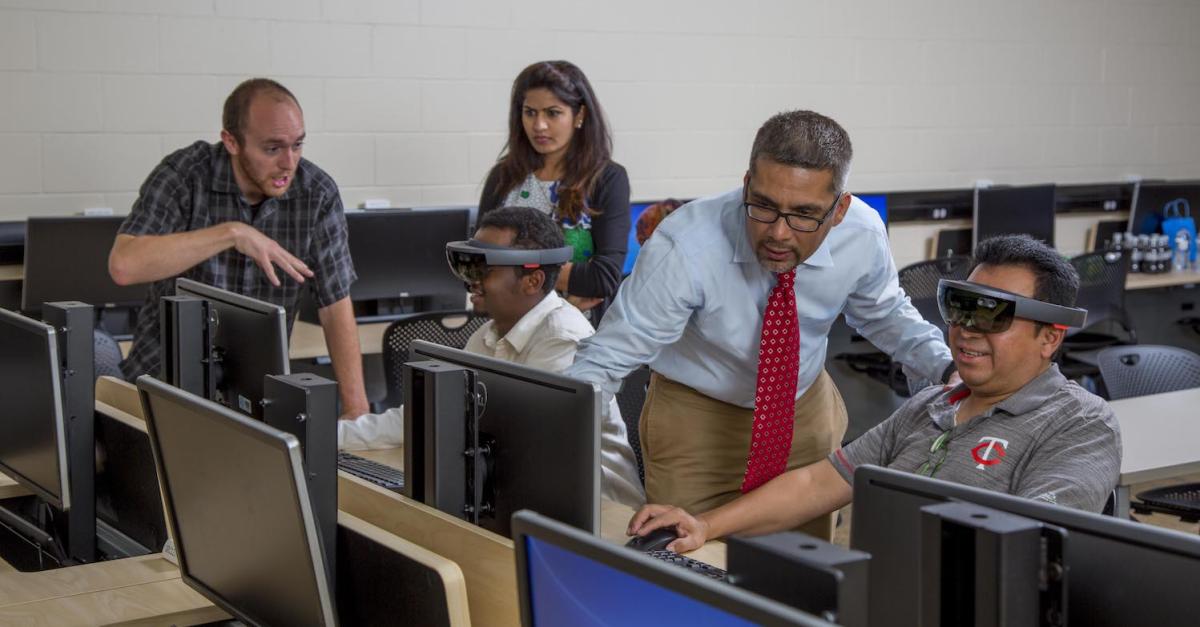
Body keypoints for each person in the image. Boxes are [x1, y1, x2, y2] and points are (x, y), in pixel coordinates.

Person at [566, 110, 956, 540]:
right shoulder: (686, 245)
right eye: (764, 207)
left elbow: (885, 314)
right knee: (688, 558)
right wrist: (561, 447)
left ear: (840, 209)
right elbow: (607, 359)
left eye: (805, 214)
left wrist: (944, 369)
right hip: (697, 420)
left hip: (803, 408)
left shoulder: (861, 234)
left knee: (804, 562)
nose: (780, 234)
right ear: (747, 184)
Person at [627, 234, 1123, 553]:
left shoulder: (1080, 424)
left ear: (1050, 336)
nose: (967, 330)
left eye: (994, 314)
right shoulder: (931, 406)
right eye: (961, 307)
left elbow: (1029, 548)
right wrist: (704, 525)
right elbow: (819, 483)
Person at [339, 206, 644, 507]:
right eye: (466, 268)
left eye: (482, 270)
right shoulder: (487, 335)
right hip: (515, 493)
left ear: (532, 281)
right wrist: (327, 435)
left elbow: (526, 446)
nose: (470, 282)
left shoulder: (564, 342)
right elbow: (425, 417)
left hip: (601, 510)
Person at [108, 78, 368, 418]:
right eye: (272, 149)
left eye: (298, 145)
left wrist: (356, 410)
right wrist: (233, 233)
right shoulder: (186, 175)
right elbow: (125, 265)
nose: (289, 163)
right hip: (162, 387)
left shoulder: (316, 193)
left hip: (254, 400)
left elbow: (335, 305)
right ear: (231, 141)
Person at [478, 60, 630, 319]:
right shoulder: (503, 177)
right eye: (530, 112)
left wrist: (507, 270)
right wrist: (565, 278)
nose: (539, 126)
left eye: (553, 113)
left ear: (579, 115)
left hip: (576, 332)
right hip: (506, 329)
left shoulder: (607, 178)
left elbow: (603, 278)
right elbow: (475, 264)